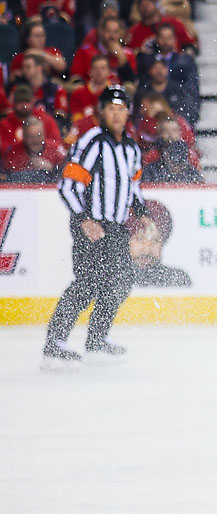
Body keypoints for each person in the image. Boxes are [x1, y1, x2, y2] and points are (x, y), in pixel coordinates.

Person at [43, 86, 144, 370]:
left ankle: (96, 341)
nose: (116, 113)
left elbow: (132, 187)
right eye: (110, 108)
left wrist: (143, 213)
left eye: (121, 108)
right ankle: (54, 346)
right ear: (102, 111)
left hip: (116, 229)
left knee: (120, 283)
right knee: (88, 284)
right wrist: (85, 219)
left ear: (127, 112)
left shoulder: (131, 148)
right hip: (91, 226)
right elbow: (68, 185)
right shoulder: (91, 142)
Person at [126, 198, 192, 287]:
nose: (146, 249)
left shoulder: (176, 280)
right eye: (140, 239)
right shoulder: (113, 279)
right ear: (127, 240)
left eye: (155, 241)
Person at [2, 115, 66, 182]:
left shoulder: (56, 150)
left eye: (39, 135)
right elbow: (7, 178)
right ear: (23, 136)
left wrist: (52, 168)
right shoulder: (13, 152)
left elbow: (66, 174)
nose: (35, 140)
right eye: (31, 137)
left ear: (44, 134)